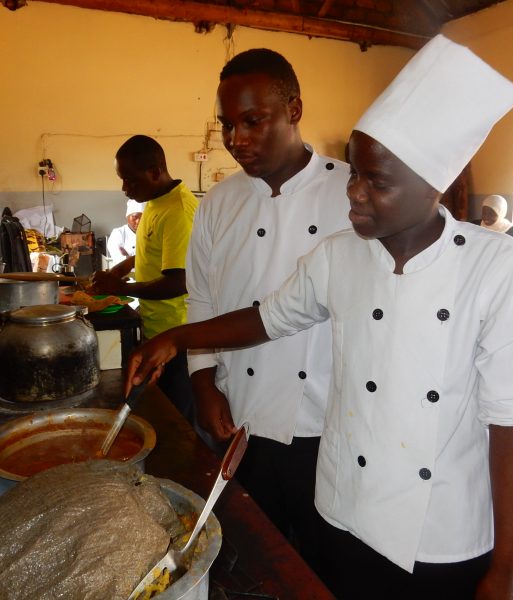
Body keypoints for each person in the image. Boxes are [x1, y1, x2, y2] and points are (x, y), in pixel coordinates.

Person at [125, 35, 513, 600]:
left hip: (439, 528)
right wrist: (179, 340)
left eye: (377, 182)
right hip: (344, 506)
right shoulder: (340, 254)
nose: (355, 195)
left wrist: (508, 568)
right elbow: (265, 319)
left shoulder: (498, 265)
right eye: (354, 174)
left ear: (432, 186)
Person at [185, 48, 351, 570]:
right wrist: (203, 381)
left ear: (294, 109)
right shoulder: (217, 204)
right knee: (255, 558)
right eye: (227, 125)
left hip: (327, 426)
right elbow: (202, 299)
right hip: (242, 416)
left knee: (322, 564)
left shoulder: (352, 193)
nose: (236, 140)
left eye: (252, 122)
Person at [91, 135, 198, 420]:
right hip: (157, 327)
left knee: (180, 416)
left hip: (178, 334)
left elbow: (178, 282)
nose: (125, 189)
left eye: (131, 181)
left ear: (154, 172)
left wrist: (122, 287)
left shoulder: (178, 211)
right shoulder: (154, 200)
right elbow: (153, 249)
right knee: (159, 409)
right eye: (122, 180)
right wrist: (122, 268)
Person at [107, 199, 142, 268]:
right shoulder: (118, 233)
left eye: (142, 218)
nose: (138, 221)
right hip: (128, 277)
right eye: (134, 217)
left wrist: (130, 258)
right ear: (127, 217)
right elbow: (119, 258)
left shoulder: (150, 232)